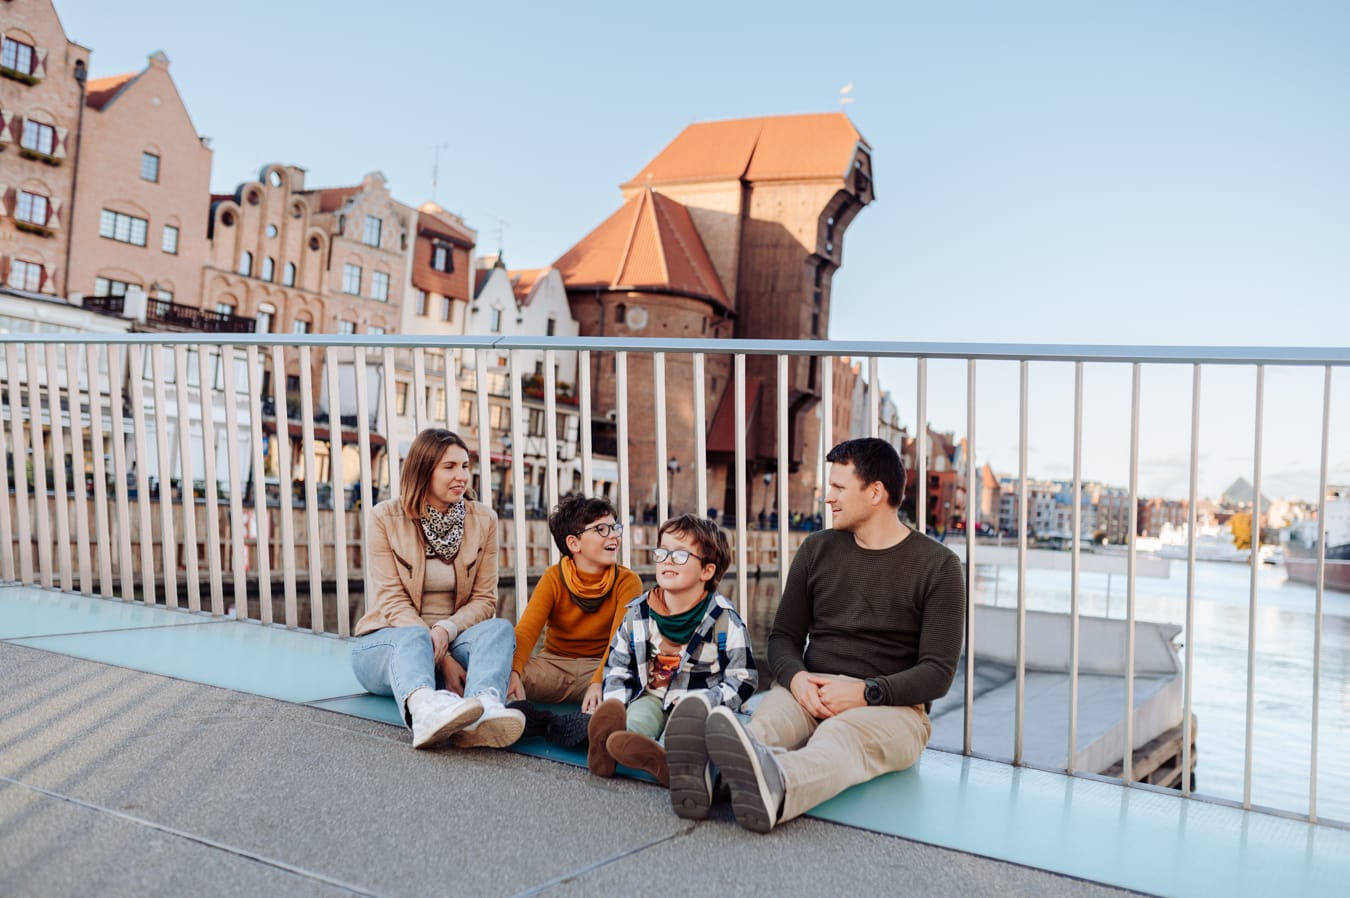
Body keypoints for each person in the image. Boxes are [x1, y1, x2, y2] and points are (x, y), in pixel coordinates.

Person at [667, 437, 965, 831]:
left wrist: (866, 692)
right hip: (811, 690)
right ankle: (711, 773)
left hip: (893, 709)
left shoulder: (940, 566)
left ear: (875, 492)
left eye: (840, 488)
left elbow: (937, 673)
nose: (829, 498)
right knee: (765, 726)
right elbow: (783, 638)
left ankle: (778, 786)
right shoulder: (816, 549)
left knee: (840, 739)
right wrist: (796, 678)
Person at [349, 428, 524, 750]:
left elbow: (485, 600)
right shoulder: (384, 517)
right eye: (449, 467)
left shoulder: (483, 520)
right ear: (423, 470)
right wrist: (442, 658)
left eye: (465, 466)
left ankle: (483, 708)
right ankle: (425, 711)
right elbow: (392, 601)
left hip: (453, 638)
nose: (461, 477)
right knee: (415, 636)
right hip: (389, 641)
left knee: (499, 628)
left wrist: (446, 628)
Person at [586, 514, 757, 787]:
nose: (667, 559)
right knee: (635, 721)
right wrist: (617, 701)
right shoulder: (638, 613)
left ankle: (667, 760)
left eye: (679, 555)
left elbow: (744, 677)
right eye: (662, 552)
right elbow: (618, 667)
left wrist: (708, 700)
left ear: (707, 571)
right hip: (651, 697)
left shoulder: (724, 619)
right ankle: (608, 746)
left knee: (684, 733)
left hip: (695, 703)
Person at [504, 494, 644, 745]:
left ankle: (580, 725)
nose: (614, 536)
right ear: (574, 543)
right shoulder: (553, 577)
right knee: (503, 668)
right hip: (554, 667)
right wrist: (514, 672)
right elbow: (526, 632)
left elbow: (619, 643)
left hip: (599, 668)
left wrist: (599, 680)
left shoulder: (627, 581)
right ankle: (541, 720)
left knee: (637, 679)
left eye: (615, 528)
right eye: (601, 529)